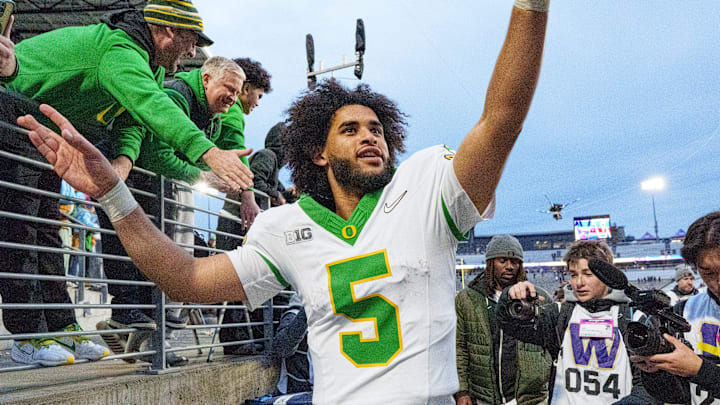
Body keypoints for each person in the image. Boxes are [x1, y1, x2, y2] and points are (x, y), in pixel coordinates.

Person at [17, 1, 549, 401]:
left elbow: (501, 118)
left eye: (378, 129)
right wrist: (113, 195)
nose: (371, 137)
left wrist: (532, 7)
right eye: (351, 129)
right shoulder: (287, 227)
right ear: (317, 152)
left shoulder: (427, 187)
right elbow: (187, 279)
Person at [96, 56, 247, 366]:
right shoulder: (176, 96)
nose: (234, 97)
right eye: (229, 88)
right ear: (206, 79)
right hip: (140, 187)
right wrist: (202, 175)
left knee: (157, 265)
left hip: (151, 192)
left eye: (238, 91)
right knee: (155, 262)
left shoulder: (209, 115)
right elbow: (156, 154)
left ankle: (138, 336)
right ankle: (138, 334)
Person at [496, 241, 656, 404]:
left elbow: (649, 385)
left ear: (608, 274)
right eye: (573, 274)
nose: (579, 282)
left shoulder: (633, 318)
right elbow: (510, 325)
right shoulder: (560, 314)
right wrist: (509, 295)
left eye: (588, 274)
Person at [219, 122, 296, 355]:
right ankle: (236, 340)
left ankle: (239, 340)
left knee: (242, 285)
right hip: (236, 227)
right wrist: (278, 197)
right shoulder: (268, 155)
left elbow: (271, 187)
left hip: (238, 227)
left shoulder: (271, 161)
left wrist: (286, 195)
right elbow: (255, 181)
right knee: (239, 283)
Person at [632, 212, 720, 403]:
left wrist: (700, 370)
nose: (718, 282)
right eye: (708, 272)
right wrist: (655, 371)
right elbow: (676, 396)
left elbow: (700, 372)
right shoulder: (683, 313)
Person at [455, 234, 553, 405]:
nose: (510, 267)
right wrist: (462, 391)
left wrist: (541, 375)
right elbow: (459, 347)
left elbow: (552, 344)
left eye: (514, 262)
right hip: (483, 396)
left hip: (529, 398)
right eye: (503, 261)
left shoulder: (539, 297)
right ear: (490, 263)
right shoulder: (467, 299)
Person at [216, 57, 273, 238]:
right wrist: (248, 194)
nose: (258, 103)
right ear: (246, 89)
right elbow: (236, 148)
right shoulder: (232, 112)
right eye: (259, 96)